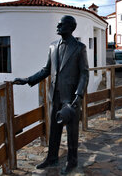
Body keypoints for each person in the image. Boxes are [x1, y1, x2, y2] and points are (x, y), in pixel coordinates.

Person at [13, 15, 89, 175]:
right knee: (54, 129)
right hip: (55, 95)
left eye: (61, 25)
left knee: (72, 131)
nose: (58, 26)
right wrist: (27, 80)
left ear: (70, 27)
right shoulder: (52, 46)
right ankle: (52, 157)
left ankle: (72, 161)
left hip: (71, 97)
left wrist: (79, 94)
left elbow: (84, 73)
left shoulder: (79, 47)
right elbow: (46, 70)